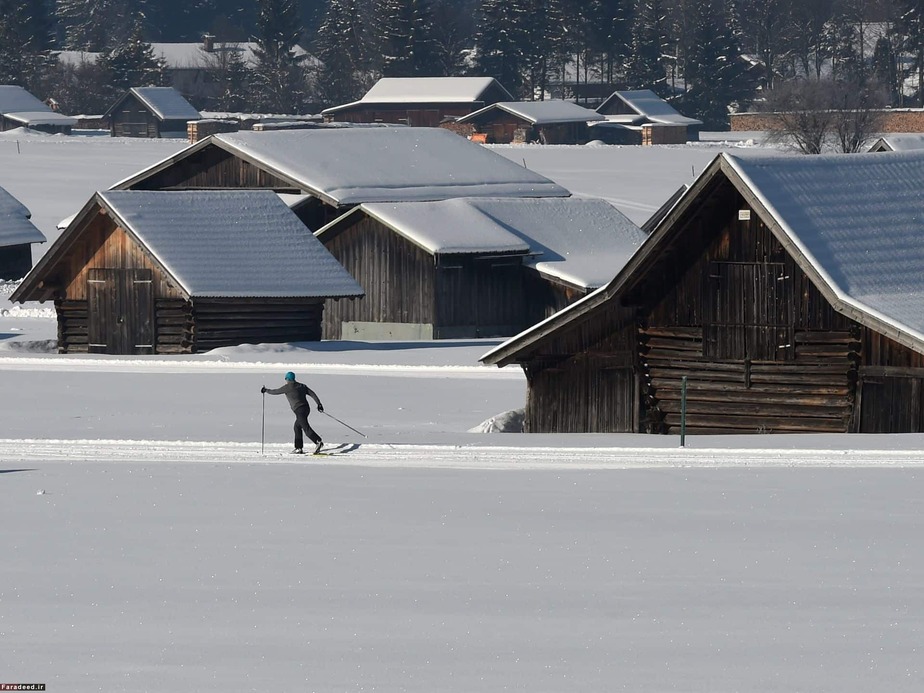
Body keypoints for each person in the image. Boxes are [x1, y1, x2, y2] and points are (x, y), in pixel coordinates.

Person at [262, 371, 325, 454]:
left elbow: (275, 391)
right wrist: (319, 404)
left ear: (287, 379)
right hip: (306, 409)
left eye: (286, 379)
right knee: (297, 427)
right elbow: (313, 394)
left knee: (305, 427)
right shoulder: (302, 386)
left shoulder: (287, 387)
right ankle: (298, 448)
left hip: (299, 410)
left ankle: (317, 441)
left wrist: (266, 390)